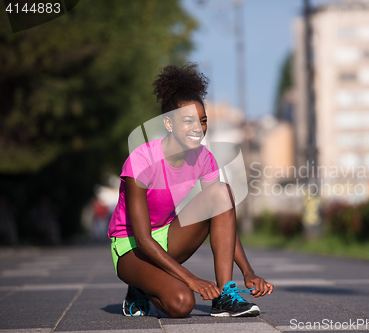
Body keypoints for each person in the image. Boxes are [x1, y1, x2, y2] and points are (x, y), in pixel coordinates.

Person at [107, 63, 273, 318]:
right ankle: (140, 285)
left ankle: (225, 295)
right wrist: (192, 280)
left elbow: (224, 217)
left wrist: (247, 271)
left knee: (221, 193)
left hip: (168, 237)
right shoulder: (141, 160)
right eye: (188, 121)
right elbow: (142, 238)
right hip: (131, 247)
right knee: (182, 304)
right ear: (169, 123)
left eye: (203, 121)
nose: (198, 128)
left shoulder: (205, 158)